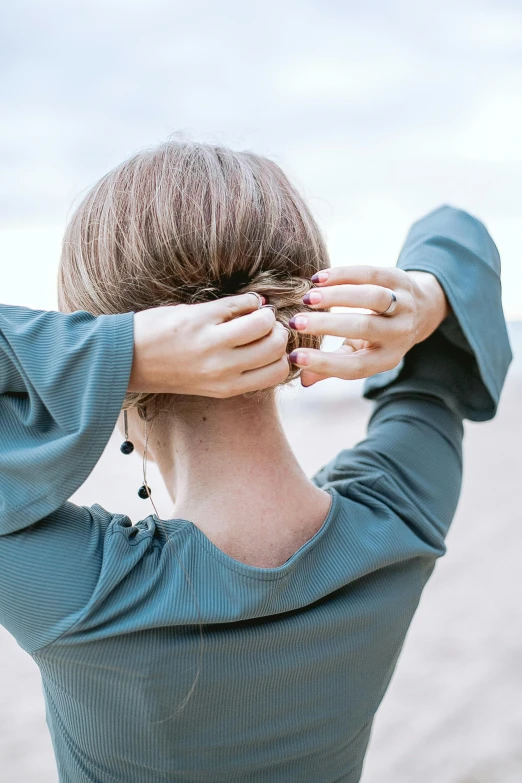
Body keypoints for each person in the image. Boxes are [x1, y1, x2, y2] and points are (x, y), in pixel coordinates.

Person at [0, 142, 512, 783]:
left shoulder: (76, 595)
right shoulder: (402, 517)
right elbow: (456, 231)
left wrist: (116, 354)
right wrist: (429, 301)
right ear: (307, 318)